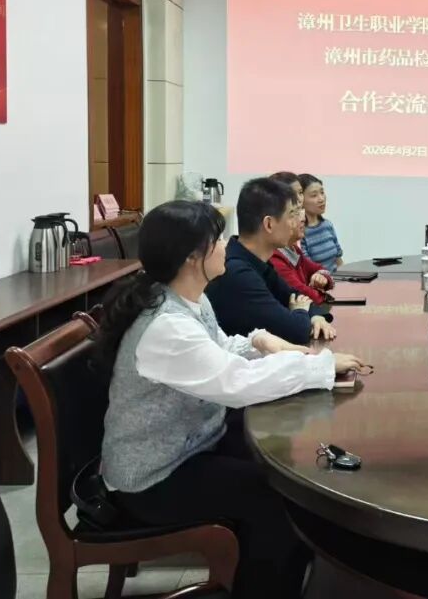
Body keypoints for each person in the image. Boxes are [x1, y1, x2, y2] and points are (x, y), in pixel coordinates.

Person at [97, 200, 366, 599]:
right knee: (276, 500)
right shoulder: (166, 327)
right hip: (153, 476)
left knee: (289, 466)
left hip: (191, 444)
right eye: (219, 240)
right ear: (193, 258)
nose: (227, 245)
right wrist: (319, 367)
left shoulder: (186, 298)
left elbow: (220, 349)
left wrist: (262, 342)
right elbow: (237, 383)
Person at [205, 177, 333, 344]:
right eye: (292, 214)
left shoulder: (255, 259)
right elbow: (296, 331)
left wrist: (316, 317)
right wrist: (301, 310)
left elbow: (295, 295)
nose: (297, 222)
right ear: (269, 224)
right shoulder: (238, 272)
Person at [269, 172, 334, 309]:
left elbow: (321, 270)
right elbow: (304, 295)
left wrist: (321, 277)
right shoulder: (274, 256)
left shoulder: (293, 248)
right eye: (295, 214)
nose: (299, 199)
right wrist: (322, 292)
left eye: (300, 193)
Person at [299, 173, 343, 273]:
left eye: (322, 193)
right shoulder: (300, 232)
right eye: (314, 195)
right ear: (301, 200)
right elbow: (308, 270)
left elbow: (338, 261)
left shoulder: (327, 225)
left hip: (337, 279)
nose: (321, 199)